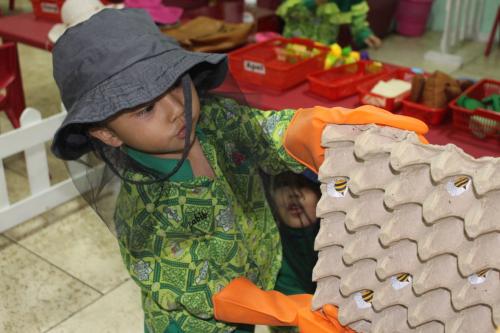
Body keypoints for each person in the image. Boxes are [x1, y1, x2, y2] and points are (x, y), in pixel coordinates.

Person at [50, 8, 428, 333]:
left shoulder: (211, 120)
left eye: (176, 84)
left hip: (255, 270)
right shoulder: (145, 219)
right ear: (105, 132)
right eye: (145, 109)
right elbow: (206, 289)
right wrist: (288, 309)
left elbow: (261, 132)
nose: (176, 107)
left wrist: (322, 130)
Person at [277, 0, 382, 48]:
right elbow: (287, 12)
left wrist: (365, 35)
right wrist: (314, 3)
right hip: (292, 47)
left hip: (324, 50)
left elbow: (358, 22)